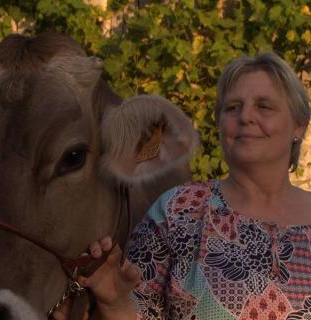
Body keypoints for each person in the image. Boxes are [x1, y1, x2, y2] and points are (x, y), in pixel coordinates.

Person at [81, 52, 311, 319]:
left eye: (264, 106)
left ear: (298, 125)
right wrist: (115, 304)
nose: (246, 116)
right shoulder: (178, 212)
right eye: (233, 107)